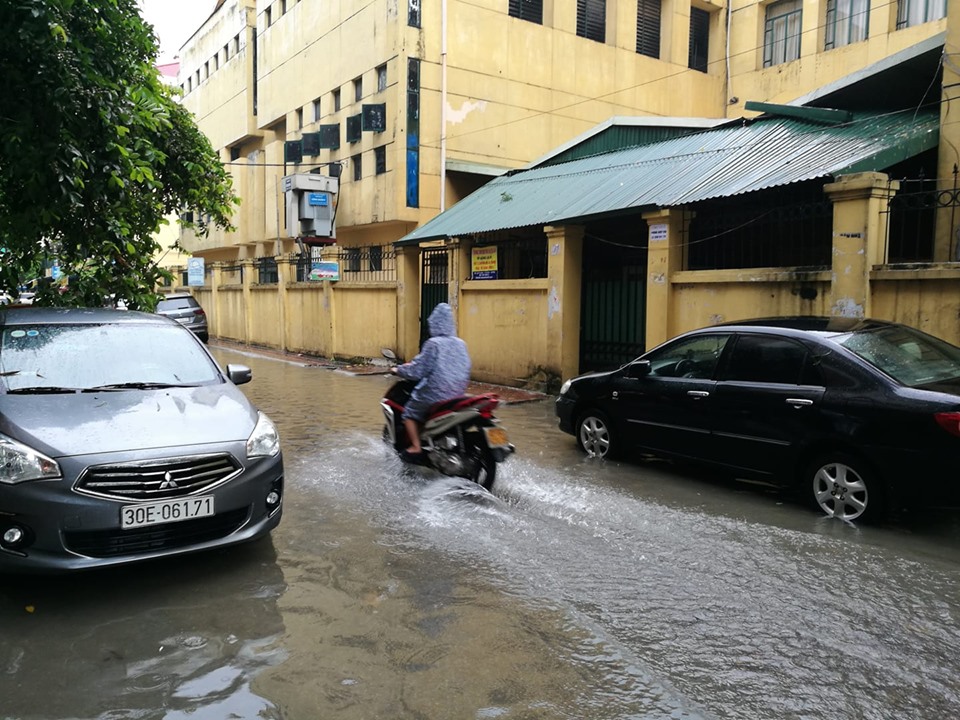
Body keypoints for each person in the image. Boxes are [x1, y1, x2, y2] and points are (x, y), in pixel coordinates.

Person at [390, 302, 471, 463]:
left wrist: (398, 370)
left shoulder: (433, 344)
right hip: (458, 392)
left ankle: (415, 447)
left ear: (434, 324)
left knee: (409, 412)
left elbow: (418, 370)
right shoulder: (461, 343)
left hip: (436, 392)